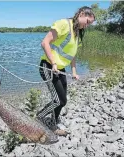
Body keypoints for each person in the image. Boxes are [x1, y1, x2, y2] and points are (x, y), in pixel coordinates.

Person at [37, 6, 95, 136]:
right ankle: (40, 117)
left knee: (62, 100)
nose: (87, 26)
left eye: (89, 24)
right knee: (60, 100)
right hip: (48, 67)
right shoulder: (63, 24)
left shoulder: (78, 32)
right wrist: (54, 63)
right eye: (87, 22)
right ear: (81, 14)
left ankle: (53, 122)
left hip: (60, 69)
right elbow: (44, 43)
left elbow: (72, 54)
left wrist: (74, 71)